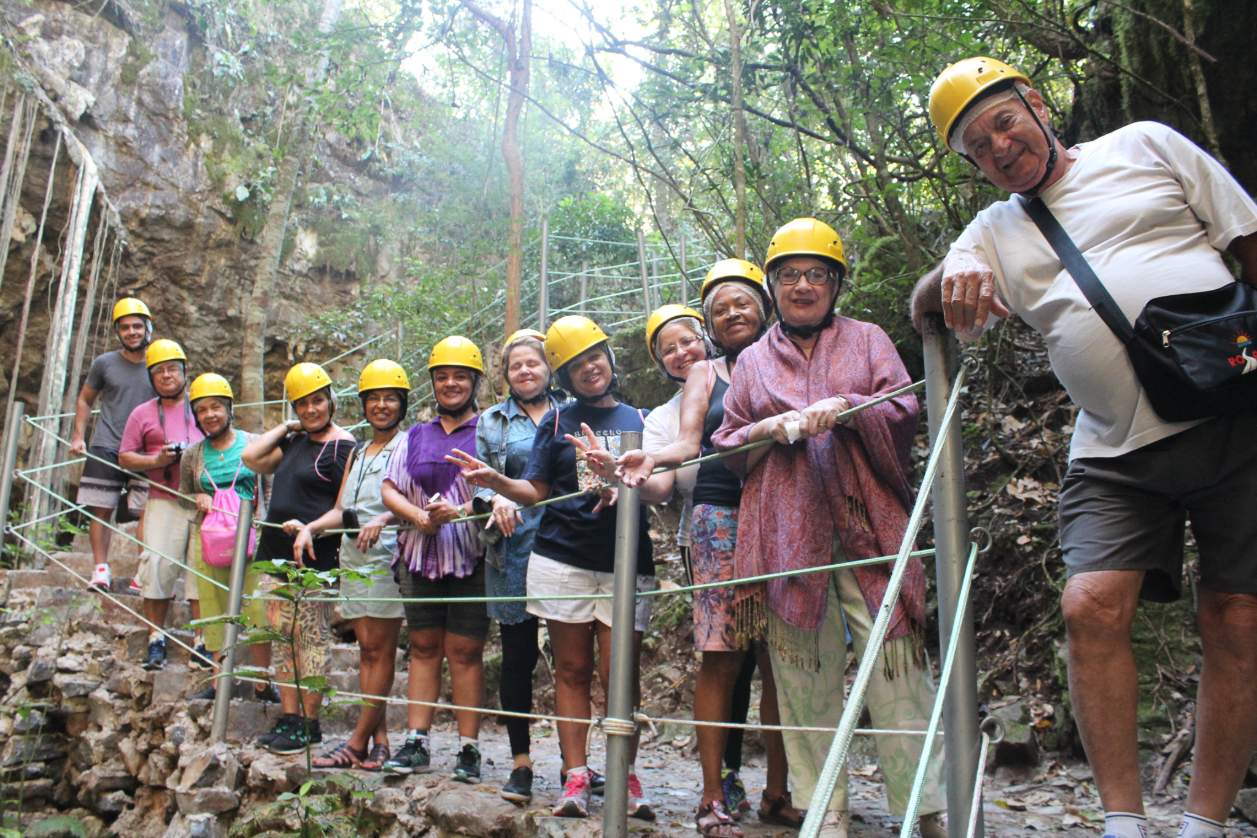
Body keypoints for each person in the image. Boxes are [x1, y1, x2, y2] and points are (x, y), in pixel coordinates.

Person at [912, 56, 1257, 838]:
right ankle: (1122, 822)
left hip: (1232, 418)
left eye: (1004, 123)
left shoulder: (1143, 146)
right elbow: (919, 305)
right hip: (1112, 452)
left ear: (1035, 104)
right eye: (977, 147)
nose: (999, 147)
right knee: (1089, 607)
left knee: (1238, 616)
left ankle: (1203, 823)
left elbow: (1248, 241)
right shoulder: (992, 230)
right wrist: (954, 264)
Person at [712, 218, 947, 838]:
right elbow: (727, 443)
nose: (803, 286)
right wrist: (769, 429)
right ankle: (826, 809)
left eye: (817, 274)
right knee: (801, 676)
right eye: (789, 275)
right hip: (787, 533)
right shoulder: (752, 360)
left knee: (896, 661)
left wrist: (849, 409)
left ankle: (925, 806)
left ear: (836, 283)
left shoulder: (868, 339)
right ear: (773, 286)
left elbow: (904, 406)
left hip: (868, 522)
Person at [448, 315, 657, 822]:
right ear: (563, 375)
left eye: (595, 357)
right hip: (562, 556)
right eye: (576, 364)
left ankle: (624, 773)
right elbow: (536, 491)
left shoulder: (641, 419)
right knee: (572, 670)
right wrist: (497, 481)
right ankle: (576, 774)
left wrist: (623, 483)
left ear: (610, 359)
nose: (590, 368)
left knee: (619, 675)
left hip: (626, 560)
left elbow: (660, 485)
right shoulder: (556, 422)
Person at [624, 270, 798, 836]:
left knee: (782, 658)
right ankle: (711, 794)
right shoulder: (705, 372)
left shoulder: (793, 355)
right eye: (720, 309)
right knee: (721, 653)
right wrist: (651, 460)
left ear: (765, 307)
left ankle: (778, 791)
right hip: (721, 515)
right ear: (712, 324)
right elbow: (688, 441)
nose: (732, 314)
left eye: (742, 303)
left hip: (787, 511)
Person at [379, 337, 488, 783]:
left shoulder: (488, 429)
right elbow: (390, 487)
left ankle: (468, 747)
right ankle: (416, 741)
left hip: (471, 553)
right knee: (423, 646)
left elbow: (498, 485)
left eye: (460, 376)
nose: (450, 384)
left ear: (475, 381)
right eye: (442, 377)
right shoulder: (416, 435)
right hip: (420, 552)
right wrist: (418, 516)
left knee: (465, 650)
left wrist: (459, 511)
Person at [292, 359, 409, 771]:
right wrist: (310, 528)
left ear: (402, 403)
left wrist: (385, 519)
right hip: (353, 556)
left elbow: (414, 500)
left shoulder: (408, 445)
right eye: (373, 398)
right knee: (366, 651)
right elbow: (342, 509)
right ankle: (381, 741)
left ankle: (357, 744)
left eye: (390, 398)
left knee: (379, 649)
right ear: (362, 404)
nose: (381, 406)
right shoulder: (358, 450)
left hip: (387, 556)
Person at [243, 362, 354, 755]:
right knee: (282, 638)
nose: (311, 409)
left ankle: (310, 722)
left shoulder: (344, 447)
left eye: (318, 401)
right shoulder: (294, 442)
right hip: (275, 552)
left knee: (310, 640)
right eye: (302, 404)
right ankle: (289, 717)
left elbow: (343, 509)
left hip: (313, 555)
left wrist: (312, 528)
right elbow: (251, 457)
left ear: (331, 401)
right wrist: (288, 427)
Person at [471, 328, 564, 803]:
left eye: (533, 362)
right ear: (505, 375)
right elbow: (477, 479)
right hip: (513, 549)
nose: (525, 370)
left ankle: (576, 764)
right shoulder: (491, 421)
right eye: (516, 365)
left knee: (572, 659)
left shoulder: (570, 411)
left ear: (549, 366)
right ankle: (521, 762)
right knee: (518, 656)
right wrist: (495, 498)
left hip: (569, 544)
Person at [179, 373, 277, 703]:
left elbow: (269, 488)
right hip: (210, 539)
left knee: (259, 608)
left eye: (216, 407)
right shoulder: (192, 455)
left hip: (253, 535)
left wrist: (268, 524)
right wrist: (196, 498)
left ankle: (263, 681)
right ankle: (220, 679)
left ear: (229, 408)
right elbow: (182, 496)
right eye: (202, 409)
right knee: (214, 607)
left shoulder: (253, 443)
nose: (210, 414)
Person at [118, 339, 205, 671]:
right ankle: (156, 636)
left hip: (202, 500)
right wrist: (157, 459)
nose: (167, 375)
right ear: (151, 377)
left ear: (184, 371)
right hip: (163, 497)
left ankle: (202, 640)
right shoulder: (142, 414)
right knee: (155, 565)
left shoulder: (202, 405)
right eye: (159, 371)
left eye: (172, 369)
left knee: (201, 570)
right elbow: (125, 456)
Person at [70, 298, 155, 592]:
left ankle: (143, 573)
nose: (132, 332)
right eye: (125, 327)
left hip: (147, 451)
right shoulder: (104, 363)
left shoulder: (160, 363)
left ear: (147, 328)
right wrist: (79, 436)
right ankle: (100, 570)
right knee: (101, 509)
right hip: (106, 444)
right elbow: (85, 399)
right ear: (118, 331)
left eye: (137, 326)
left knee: (146, 511)